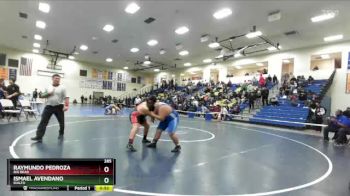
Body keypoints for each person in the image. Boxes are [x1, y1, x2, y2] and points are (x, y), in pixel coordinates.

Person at [31, 74, 69, 142]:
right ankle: (39, 136)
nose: (57, 79)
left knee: (61, 122)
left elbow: (66, 97)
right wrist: (49, 93)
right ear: (52, 78)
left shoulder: (63, 87)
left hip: (59, 106)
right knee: (43, 121)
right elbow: (42, 96)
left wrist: (66, 106)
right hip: (48, 106)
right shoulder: (48, 86)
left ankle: (61, 133)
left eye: (58, 78)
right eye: (56, 78)